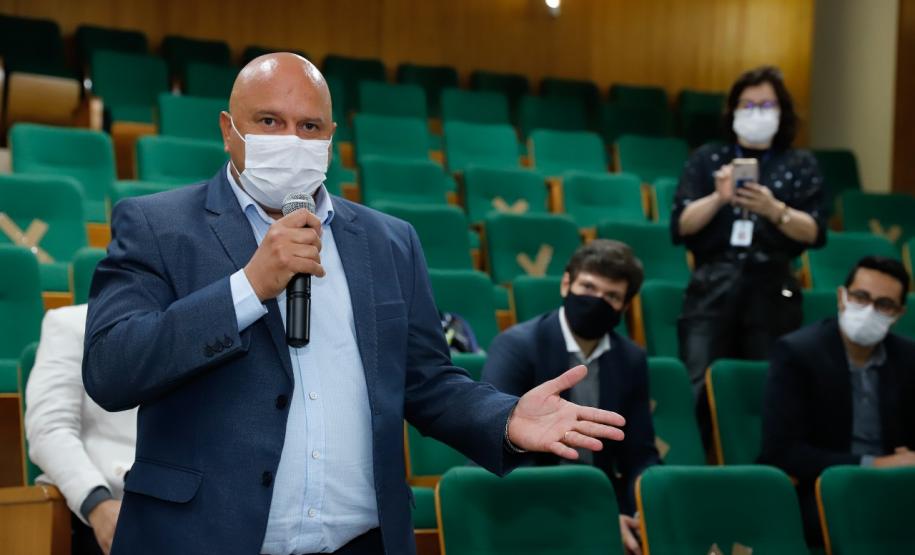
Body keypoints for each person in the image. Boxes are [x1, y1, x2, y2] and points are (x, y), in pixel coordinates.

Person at [82, 53, 626, 555]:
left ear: (331, 138)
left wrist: (505, 418)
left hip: (362, 542)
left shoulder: (390, 241)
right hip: (203, 540)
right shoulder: (156, 224)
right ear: (229, 130)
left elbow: (427, 383)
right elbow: (112, 370)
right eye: (269, 122)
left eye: (309, 126)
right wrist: (249, 286)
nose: (291, 139)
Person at [670, 65, 828, 443]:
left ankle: (763, 471)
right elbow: (681, 226)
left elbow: (815, 232)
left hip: (772, 288)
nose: (757, 112)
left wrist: (776, 210)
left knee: (769, 386)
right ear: (733, 110)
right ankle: (699, 465)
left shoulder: (800, 164)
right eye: (748, 103)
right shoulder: (709, 159)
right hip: (712, 284)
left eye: (766, 104)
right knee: (698, 383)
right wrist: (718, 197)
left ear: (782, 111)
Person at [482, 240, 659, 555]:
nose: (597, 301)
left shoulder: (631, 358)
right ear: (566, 284)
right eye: (588, 287)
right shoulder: (517, 346)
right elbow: (494, 446)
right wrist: (594, 516)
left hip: (602, 501)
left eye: (612, 296)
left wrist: (640, 511)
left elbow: (640, 454)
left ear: (625, 306)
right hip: (528, 499)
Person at [759, 256, 915, 545]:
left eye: (883, 304)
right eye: (860, 297)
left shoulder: (908, 359)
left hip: (898, 488)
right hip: (822, 490)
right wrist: (876, 465)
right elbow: (781, 452)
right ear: (842, 298)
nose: (869, 310)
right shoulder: (797, 353)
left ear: (898, 314)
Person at [25, 304, 136, 555]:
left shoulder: (199, 326)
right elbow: (49, 429)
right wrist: (98, 505)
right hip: (108, 505)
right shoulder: (70, 324)